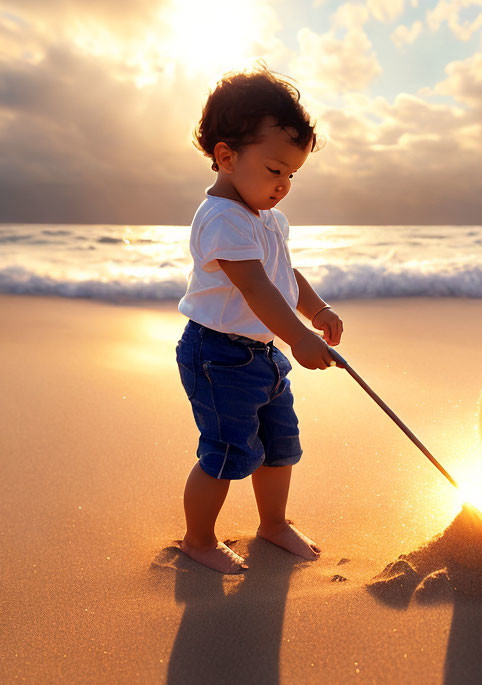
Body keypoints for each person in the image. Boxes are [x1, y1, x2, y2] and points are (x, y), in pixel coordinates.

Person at [175, 68, 342, 574]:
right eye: (275, 170)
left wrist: (316, 311)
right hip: (218, 355)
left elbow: (283, 273)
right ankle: (198, 539)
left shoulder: (265, 217)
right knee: (226, 451)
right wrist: (298, 339)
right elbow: (255, 287)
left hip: (260, 353)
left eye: (292, 174)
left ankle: (272, 523)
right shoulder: (222, 219)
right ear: (226, 157)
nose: (284, 185)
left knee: (278, 444)